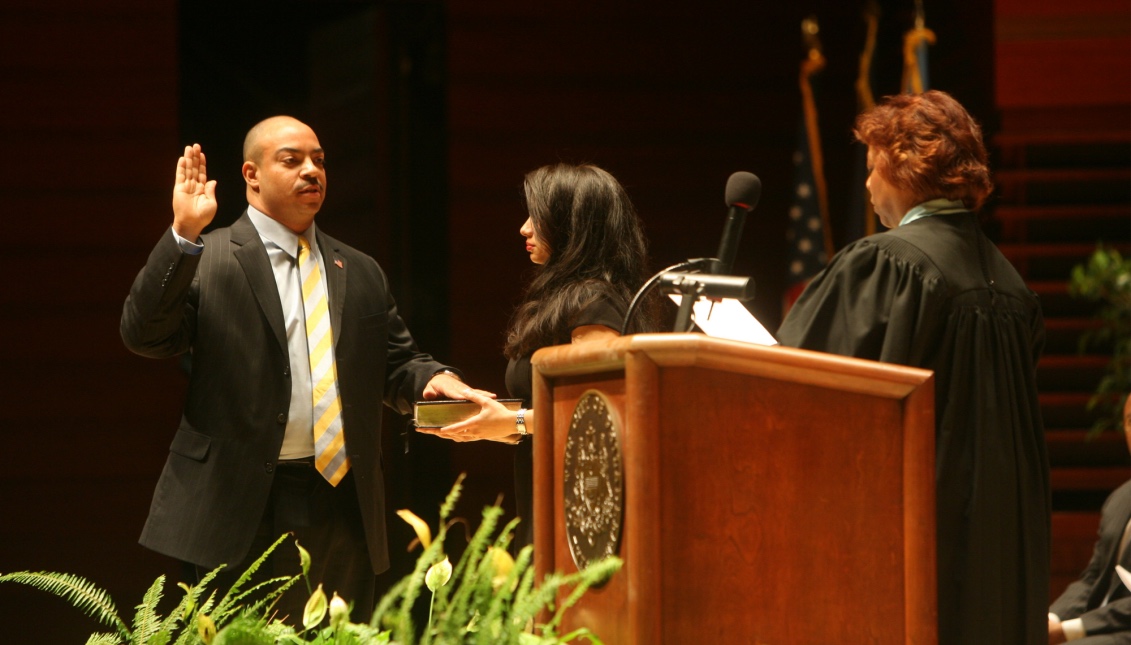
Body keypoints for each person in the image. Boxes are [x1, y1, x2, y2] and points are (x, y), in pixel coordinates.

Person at [120, 116, 475, 621]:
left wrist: (439, 381)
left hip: (343, 501)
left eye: (320, 160)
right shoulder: (211, 256)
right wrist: (182, 234)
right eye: (292, 160)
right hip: (239, 502)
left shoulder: (360, 269)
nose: (312, 171)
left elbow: (398, 364)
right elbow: (143, 334)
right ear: (252, 174)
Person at [776, 90, 1050, 645]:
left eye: (873, 166)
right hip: (1004, 532)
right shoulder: (1014, 287)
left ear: (903, 167)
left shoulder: (888, 263)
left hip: (915, 524)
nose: (869, 186)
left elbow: (796, 378)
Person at [416, 163, 657, 549]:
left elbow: (596, 413)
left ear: (572, 225)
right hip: (549, 489)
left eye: (537, 217)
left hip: (585, 506)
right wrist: (491, 424)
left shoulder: (594, 302)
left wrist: (514, 421)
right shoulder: (568, 298)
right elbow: (553, 412)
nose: (524, 228)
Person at [1048, 398, 1131, 644]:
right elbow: (1093, 578)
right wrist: (1052, 618)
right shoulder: (1120, 498)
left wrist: (1068, 630)